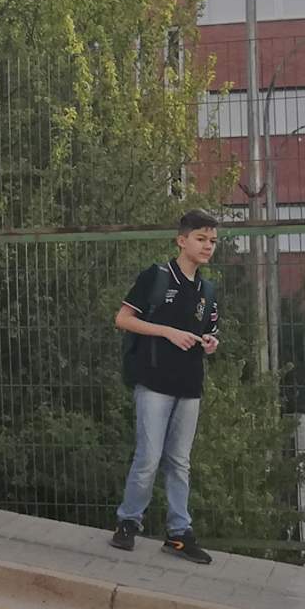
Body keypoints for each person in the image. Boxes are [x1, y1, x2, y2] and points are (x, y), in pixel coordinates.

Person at [108, 210, 222, 564]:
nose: (207, 246)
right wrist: (167, 332)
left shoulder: (207, 289)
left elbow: (212, 328)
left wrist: (211, 341)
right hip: (155, 381)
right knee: (149, 457)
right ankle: (128, 522)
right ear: (181, 240)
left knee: (179, 461)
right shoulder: (156, 277)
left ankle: (178, 532)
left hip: (190, 384)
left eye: (213, 241)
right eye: (201, 239)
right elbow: (123, 319)